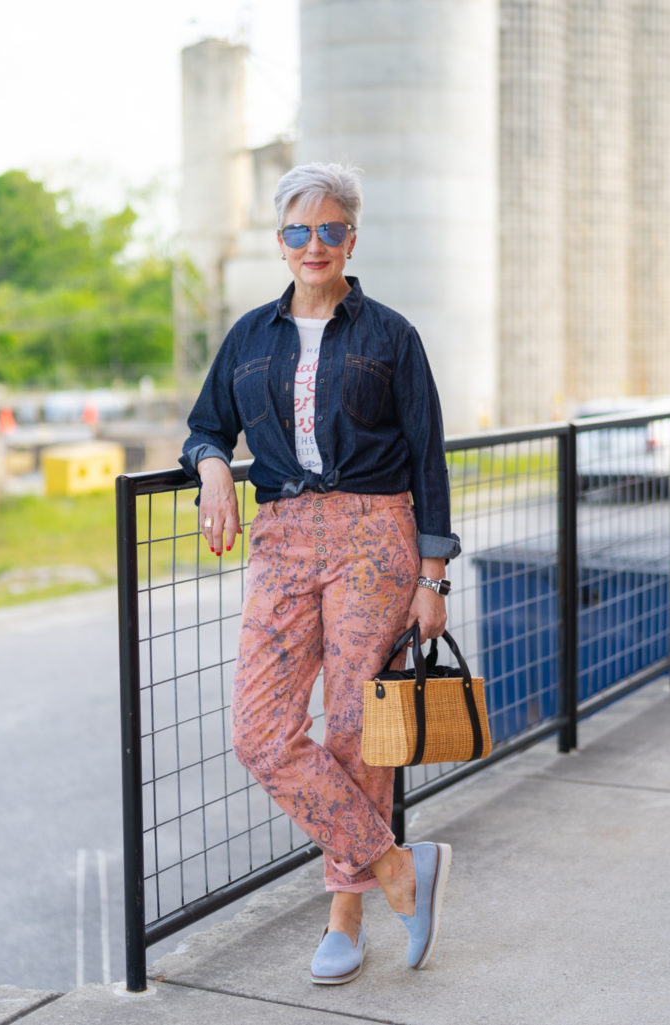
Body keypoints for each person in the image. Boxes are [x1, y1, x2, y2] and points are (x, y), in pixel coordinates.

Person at [180, 162, 461, 984]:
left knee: (352, 727)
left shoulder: (392, 335)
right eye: (299, 231)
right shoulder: (247, 338)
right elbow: (205, 426)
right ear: (279, 242)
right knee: (260, 731)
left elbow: (430, 457)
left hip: (378, 535)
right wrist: (214, 468)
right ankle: (400, 869)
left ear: (351, 237)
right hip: (285, 536)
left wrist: (432, 577)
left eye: (330, 228)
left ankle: (346, 915)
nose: (314, 244)